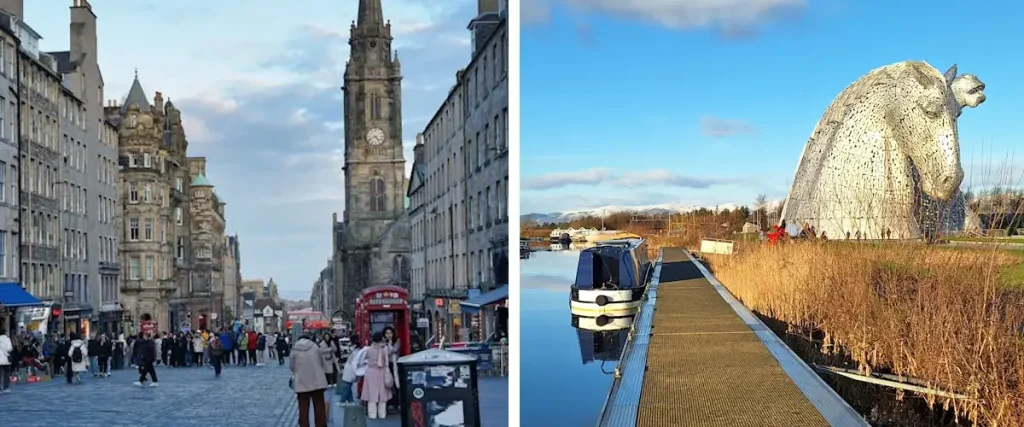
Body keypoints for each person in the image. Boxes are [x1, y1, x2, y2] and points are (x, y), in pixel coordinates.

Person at [290, 331, 329, 427]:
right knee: (319, 404)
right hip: (317, 381)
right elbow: (321, 362)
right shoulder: (315, 347)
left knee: (303, 407)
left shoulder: (294, 350)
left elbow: (292, 366)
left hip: (302, 382)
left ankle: (304, 425)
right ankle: (320, 424)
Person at [361, 332, 393, 420]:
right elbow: (392, 351)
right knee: (382, 394)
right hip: (382, 372)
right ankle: (382, 414)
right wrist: (389, 343)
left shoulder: (368, 349)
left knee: (372, 394)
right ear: (381, 339)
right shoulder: (385, 348)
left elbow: (363, 359)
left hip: (371, 372)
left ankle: (372, 414)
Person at [337, 334, 365, 404]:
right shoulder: (357, 349)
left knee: (346, 385)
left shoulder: (355, 350)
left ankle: (342, 400)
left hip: (351, 368)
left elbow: (354, 360)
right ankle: (350, 400)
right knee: (347, 385)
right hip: (349, 368)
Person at [0, 327, 13, 394]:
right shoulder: (7, 339)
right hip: (5, 359)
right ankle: (6, 388)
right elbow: (9, 349)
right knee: (6, 374)